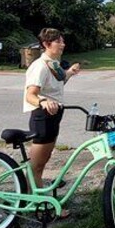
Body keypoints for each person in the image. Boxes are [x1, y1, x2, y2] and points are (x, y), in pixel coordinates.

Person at [24, 28, 81, 207]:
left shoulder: (53, 64)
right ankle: (36, 204)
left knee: (42, 162)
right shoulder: (40, 66)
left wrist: (71, 72)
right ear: (46, 44)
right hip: (43, 117)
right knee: (36, 167)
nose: (63, 44)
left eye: (63, 41)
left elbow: (60, 81)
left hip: (54, 116)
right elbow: (30, 95)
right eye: (59, 41)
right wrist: (43, 101)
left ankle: (34, 198)